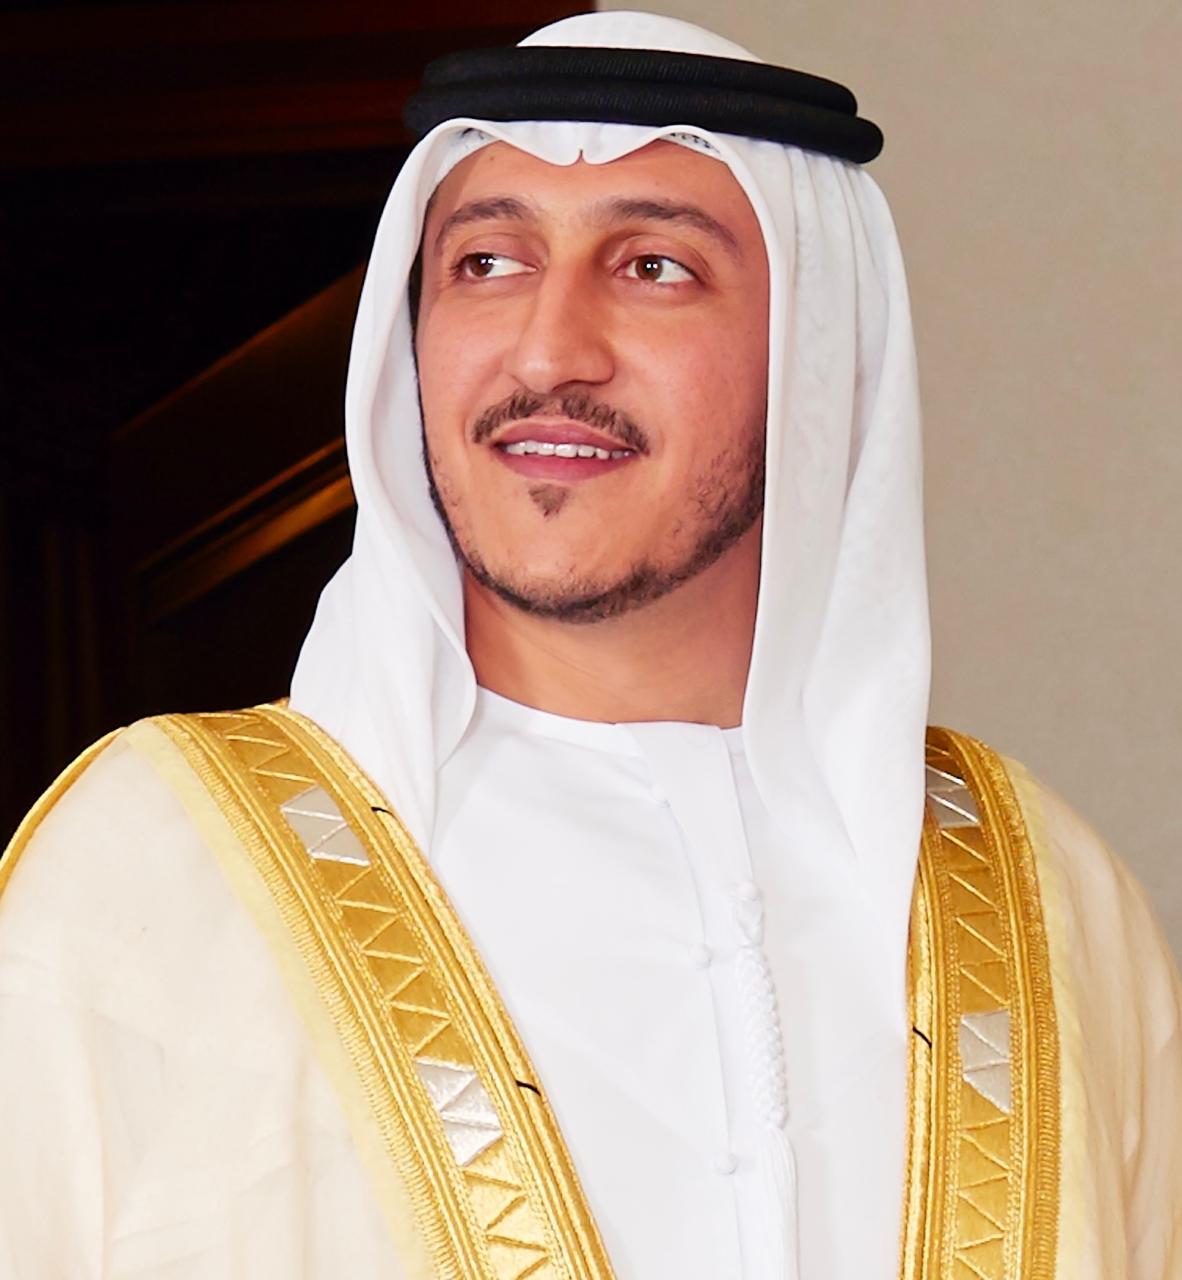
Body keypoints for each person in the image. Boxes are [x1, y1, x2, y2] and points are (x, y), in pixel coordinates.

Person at [0, 11, 1178, 1280]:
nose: (550, 349)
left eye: (654, 266)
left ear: (817, 354)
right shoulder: (152, 869)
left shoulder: (1045, 894)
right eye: (487, 262)